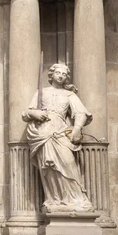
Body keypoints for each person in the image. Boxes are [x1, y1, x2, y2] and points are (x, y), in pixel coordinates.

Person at [22, 63, 93, 212]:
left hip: (60, 133)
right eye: (58, 73)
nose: (61, 75)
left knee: (68, 164)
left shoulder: (69, 95)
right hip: (43, 133)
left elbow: (80, 113)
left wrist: (77, 128)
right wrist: (35, 113)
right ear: (51, 75)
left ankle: (77, 199)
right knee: (48, 168)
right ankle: (54, 199)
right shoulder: (42, 92)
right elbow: (26, 113)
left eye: (64, 74)